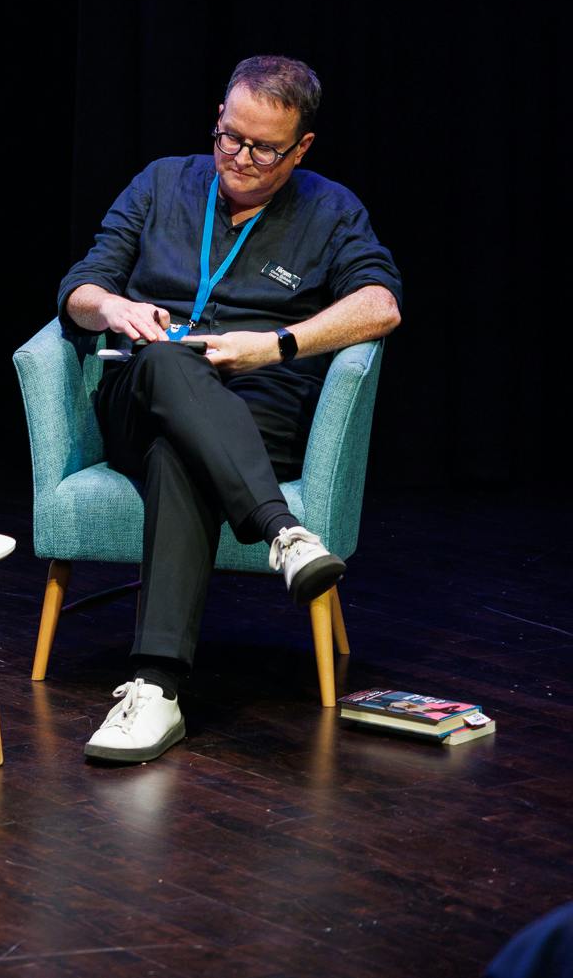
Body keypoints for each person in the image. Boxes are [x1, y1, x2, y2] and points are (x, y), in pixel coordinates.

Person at [57, 55, 403, 764]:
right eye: (229, 137)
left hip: (257, 408)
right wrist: (116, 306)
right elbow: (80, 287)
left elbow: (381, 304)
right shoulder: (161, 182)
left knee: (179, 451)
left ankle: (154, 690)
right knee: (164, 360)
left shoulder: (331, 209)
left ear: (301, 147)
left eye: (263, 148)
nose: (239, 158)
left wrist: (275, 345)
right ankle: (283, 532)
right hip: (141, 391)